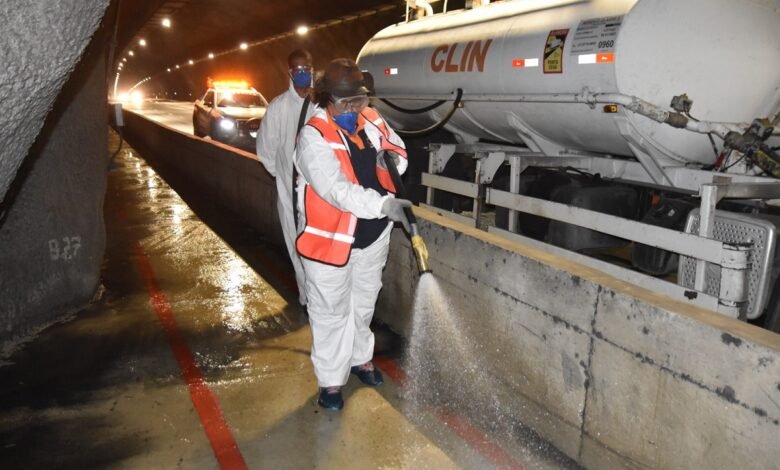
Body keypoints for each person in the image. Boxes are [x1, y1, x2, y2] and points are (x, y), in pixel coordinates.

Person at [294, 58, 412, 410]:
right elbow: (336, 190)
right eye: (347, 102)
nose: (356, 108)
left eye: (360, 100)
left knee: (363, 304)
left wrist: (389, 161)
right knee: (331, 312)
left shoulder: (372, 119)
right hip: (329, 242)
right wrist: (383, 206)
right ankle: (331, 382)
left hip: (372, 237)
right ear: (327, 99)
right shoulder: (312, 136)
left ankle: (362, 359)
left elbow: (399, 150)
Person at [256, 49, 315, 309]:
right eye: (298, 70)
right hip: (290, 192)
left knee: (316, 248)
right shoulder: (278, 107)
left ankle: (319, 299)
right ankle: (307, 298)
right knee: (297, 246)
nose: (303, 74)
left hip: (318, 194)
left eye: (307, 69)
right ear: (289, 73)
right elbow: (266, 152)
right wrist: (284, 179)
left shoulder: (321, 103)